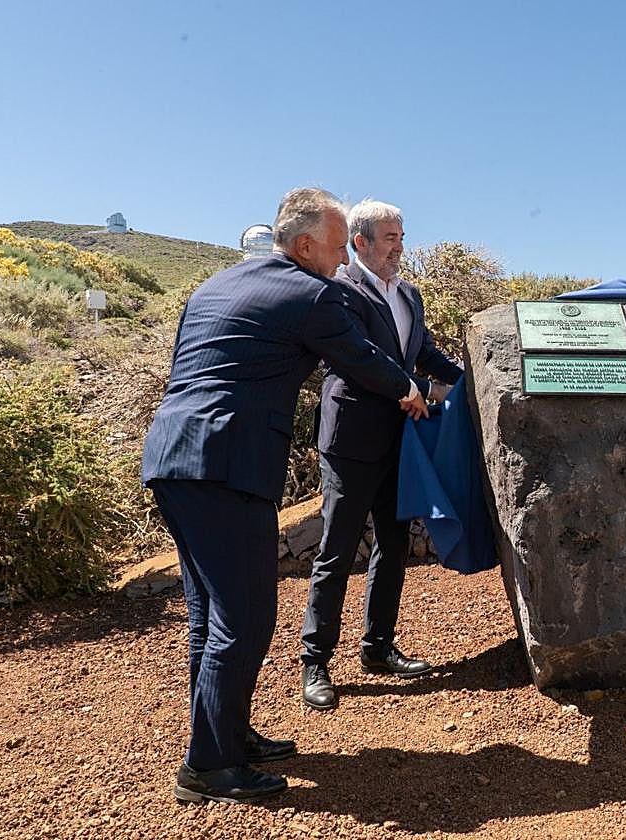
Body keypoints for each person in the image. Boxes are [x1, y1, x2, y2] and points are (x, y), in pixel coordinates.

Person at [141, 188, 430, 804]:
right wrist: (408, 389)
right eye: (333, 247)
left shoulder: (214, 286)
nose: (339, 259)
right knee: (245, 618)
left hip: (172, 454)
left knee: (210, 615)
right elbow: (359, 359)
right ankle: (210, 765)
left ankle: (227, 735)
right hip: (228, 465)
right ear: (304, 246)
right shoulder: (312, 293)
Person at [299, 201, 462, 710]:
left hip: (401, 440)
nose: (398, 246)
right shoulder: (339, 291)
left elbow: (424, 353)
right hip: (351, 440)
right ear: (359, 243)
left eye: (401, 236)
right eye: (388, 237)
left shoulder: (409, 294)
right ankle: (316, 662)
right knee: (338, 548)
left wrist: (475, 379)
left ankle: (377, 647)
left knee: (393, 544)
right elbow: (360, 362)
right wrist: (414, 387)